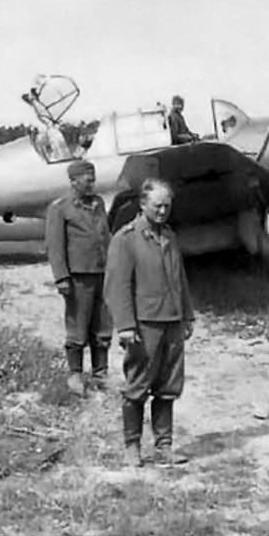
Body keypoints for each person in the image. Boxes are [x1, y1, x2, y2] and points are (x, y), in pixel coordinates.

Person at [104, 178, 195, 467]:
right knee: (138, 386)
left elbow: (179, 279)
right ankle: (132, 446)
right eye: (157, 206)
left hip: (172, 321)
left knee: (168, 386)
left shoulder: (170, 236)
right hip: (144, 326)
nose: (162, 211)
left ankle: (164, 446)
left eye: (167, 206)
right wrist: (126, 325)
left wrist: (187, 315)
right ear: (142, 205)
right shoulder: (125, 239)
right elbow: (116, 286)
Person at [45, 159, 114, 396]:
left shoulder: (98, 204)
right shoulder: (60, 208)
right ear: (73, 181)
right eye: (87, 180)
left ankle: (100, 374)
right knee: (78, 325)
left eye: (93, 179)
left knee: (103, 325)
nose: (92, 184)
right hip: (78, 277)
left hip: (103, 274)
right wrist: (62, 277)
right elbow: (55, 246)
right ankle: (75, 374)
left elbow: (106, 236)